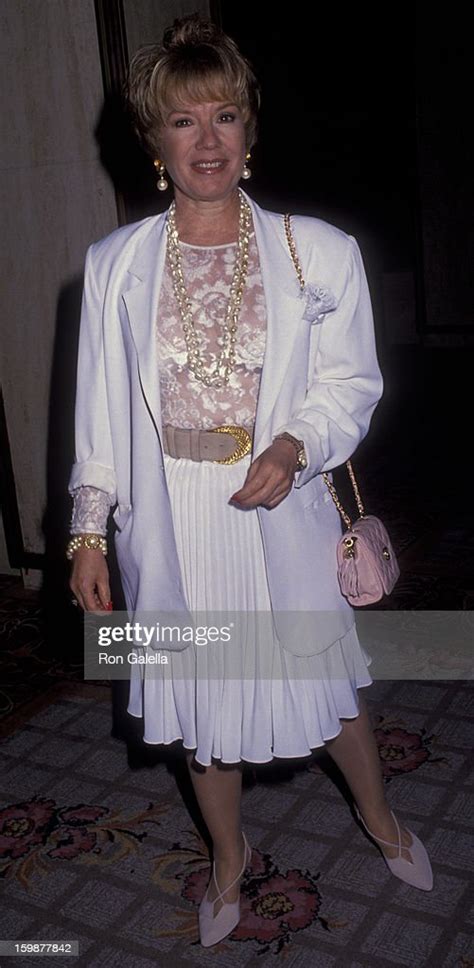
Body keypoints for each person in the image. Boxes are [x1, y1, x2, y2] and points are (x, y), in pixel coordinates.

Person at [67, 13, 433, 948]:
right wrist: (87, 529)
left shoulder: (318, 250)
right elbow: (101, 412)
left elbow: (351, 381)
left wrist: (296, 443)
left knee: (328, 683)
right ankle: (228, 858)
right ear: (154, 141)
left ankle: (381, 818)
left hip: (282, 498)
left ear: (250, 131)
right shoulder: (113, 268)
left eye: (224, 116)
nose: (207, 140)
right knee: (203, 698)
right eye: (184, 122)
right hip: (174, 516)